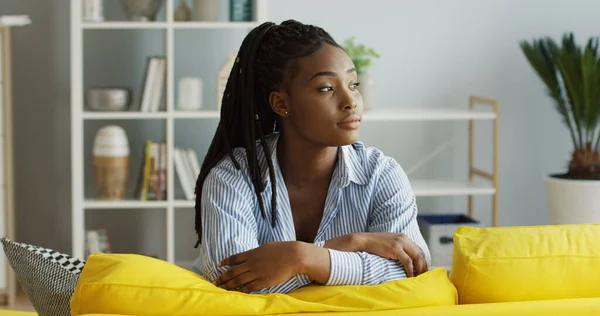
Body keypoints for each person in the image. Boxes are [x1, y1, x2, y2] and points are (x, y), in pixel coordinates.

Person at [191, 19, 431, 295]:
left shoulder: (382, 174)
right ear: (281, 104)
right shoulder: (232, 176)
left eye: (353, 84)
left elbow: (409, 270)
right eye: (326, 88)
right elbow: (234, 281)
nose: (351, 100)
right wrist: (348, 246)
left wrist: (302, 258)